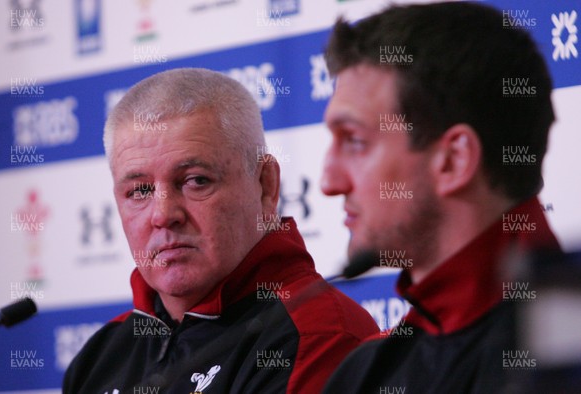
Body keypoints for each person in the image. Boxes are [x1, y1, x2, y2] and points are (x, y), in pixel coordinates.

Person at [63, 68, 379, 393]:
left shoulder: (317, 335)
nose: (163, 215)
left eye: (195, 180)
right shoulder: (101, 355)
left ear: (265, 185)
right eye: (139, 191)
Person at [320, 2, 562, 393]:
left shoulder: (560, 356)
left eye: (356, 142)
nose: (328, 182)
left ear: (453, 160)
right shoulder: (364, 373)